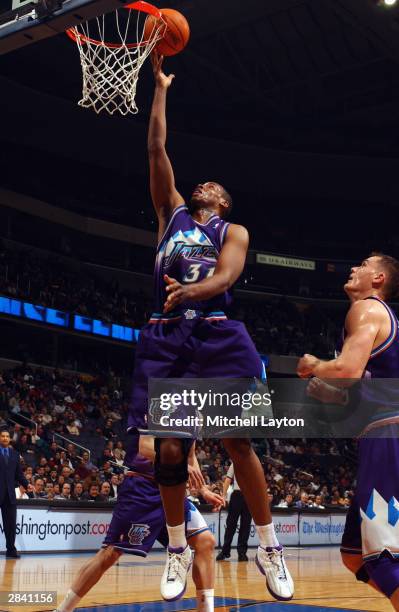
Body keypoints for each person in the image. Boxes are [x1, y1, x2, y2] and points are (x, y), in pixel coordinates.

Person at [128, 51, 294, 603]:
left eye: (213, 186)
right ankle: (176, 546)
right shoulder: (169, 214)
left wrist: (191, 291)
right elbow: (156, 147)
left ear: (222, 203)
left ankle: (269, 547)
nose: (203, 185)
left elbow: (226, 276)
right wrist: (160, 90)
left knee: (237, 442)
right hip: (166, 336)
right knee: (170, 452)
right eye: (201, 182)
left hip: (218, 331)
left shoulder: (234, 230)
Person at [297, 253, 399, 610]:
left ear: (379, 279)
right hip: (380, 431)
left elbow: (347, 370)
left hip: (389, 436)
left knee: (383, 558)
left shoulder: (368, 309)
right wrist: (336, 397)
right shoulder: (376, 319)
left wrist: (315, 365)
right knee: (354, 555)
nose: (353, 267)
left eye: (363, 264)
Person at [53, 435, 222, 612]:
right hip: (142, 488)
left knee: (205, 542)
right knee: (110, 553)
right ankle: (63, 609)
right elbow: (146, 446)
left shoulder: (191, 414)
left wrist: (203, 489)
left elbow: (190, 455)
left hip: (173, 490)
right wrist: (178, 467)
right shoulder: (154, 407)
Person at [0, 429, 31, 558]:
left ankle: (11, 550)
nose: (5, 438)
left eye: (7, 436)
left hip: (10, 495)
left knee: (10, 524)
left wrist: (27, 484)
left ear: (10, 439)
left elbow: (19, 474)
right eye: (2, 436)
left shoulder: (14, 454)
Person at [216, 463, 252, 562]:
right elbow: (228, 479)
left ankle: (242, 553)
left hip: (249, 495)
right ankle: (225, 551)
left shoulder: (254, 463)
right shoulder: (235, 463)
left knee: (246, 525)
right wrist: (223, 496)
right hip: (237, 495)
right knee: (231, 524)